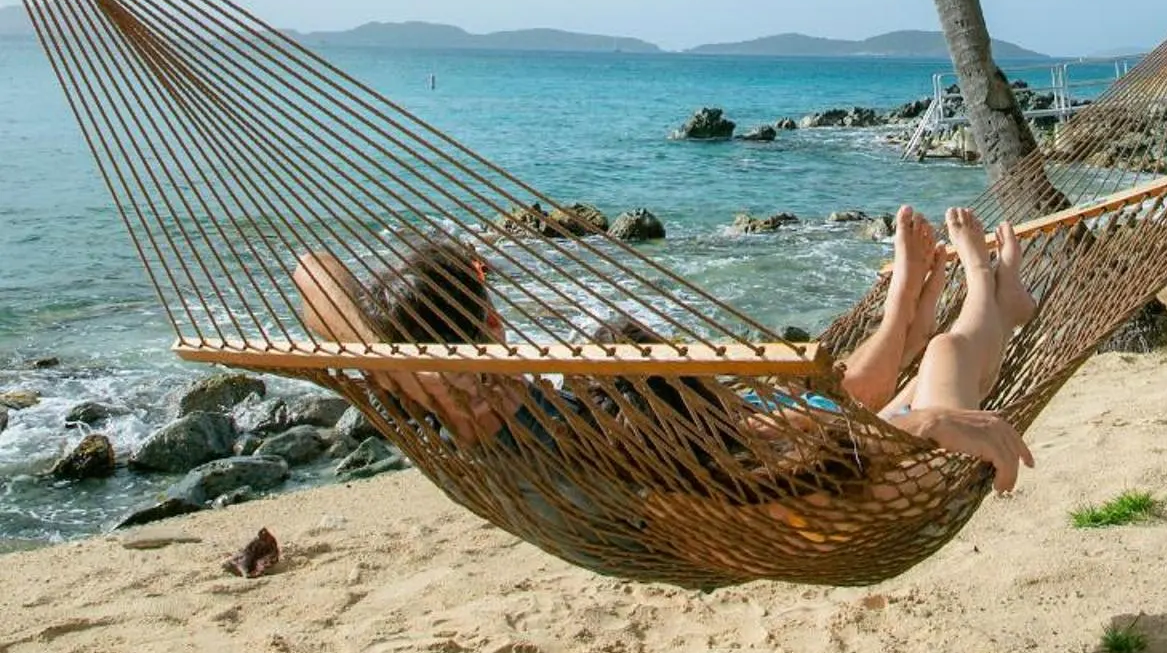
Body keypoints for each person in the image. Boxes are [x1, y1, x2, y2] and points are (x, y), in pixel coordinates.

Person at [293, 204, 1036, 495]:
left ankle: (965, 296)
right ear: (482, 322)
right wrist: (928, 425)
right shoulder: (489, 412)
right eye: (487, 309)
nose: (500, 326)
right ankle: (977, 285)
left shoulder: (441, 410)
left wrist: (397, 365)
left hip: (783, 459)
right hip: (828, 476)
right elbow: (313, 271)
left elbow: (310, 269)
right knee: (939, 356)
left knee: (924, 359)